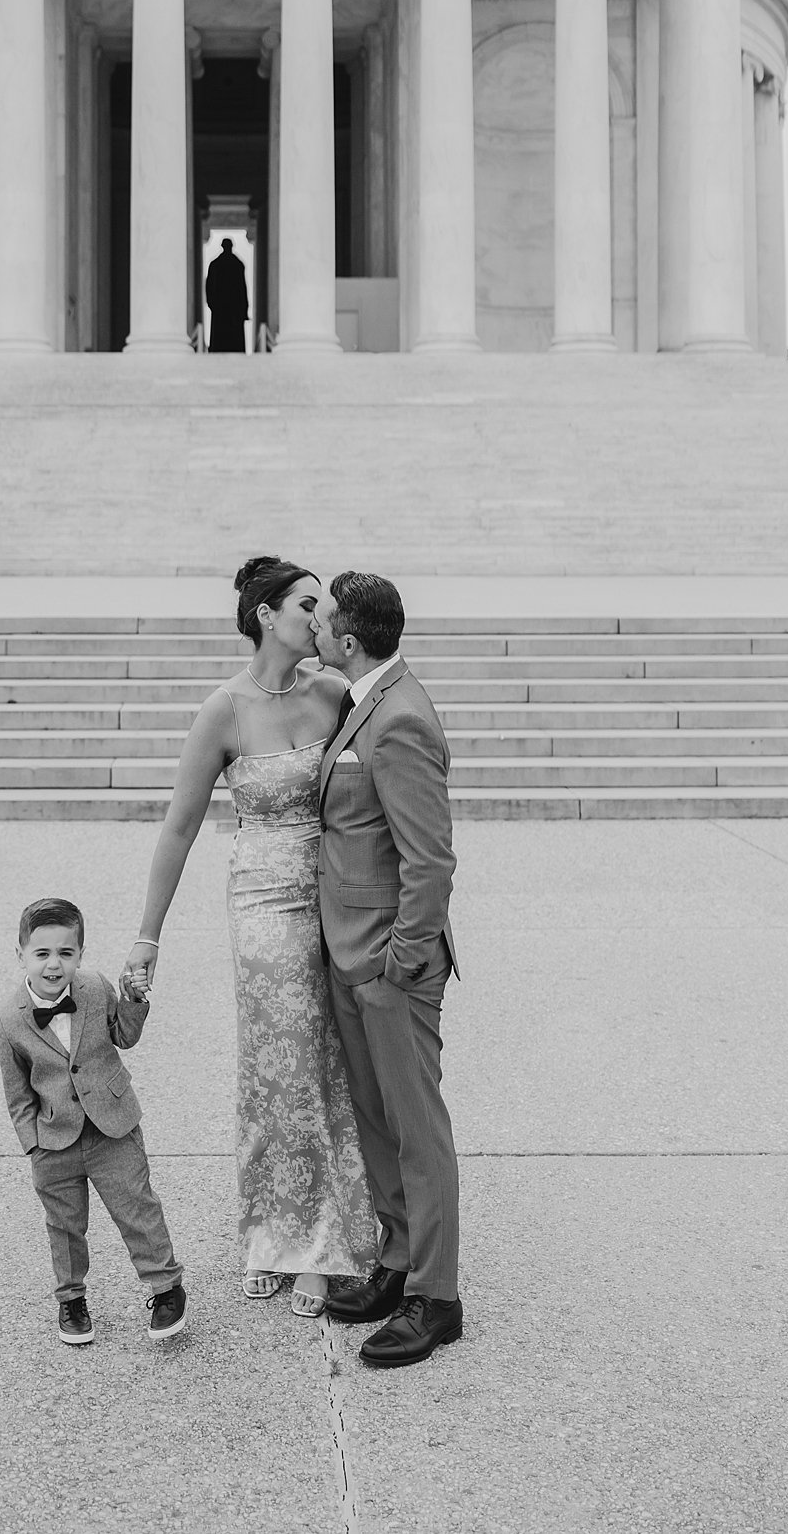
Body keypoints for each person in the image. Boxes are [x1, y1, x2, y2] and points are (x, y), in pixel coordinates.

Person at [125, 556, 376, 1315]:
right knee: (278, 1066)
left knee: (334, 1062)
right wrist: (147, 938)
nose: (322, 619)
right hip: (264, 906)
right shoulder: (224, 711)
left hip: (334, 899)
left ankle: (338, 1233)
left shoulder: (335, 693)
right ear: (266, 614)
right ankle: (276, 1233)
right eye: (308, 605)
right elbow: (179, 828)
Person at [311, 571, 463, 1368]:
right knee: (376, 1122)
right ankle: (397, 1261)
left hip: (388, 966)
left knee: (416, 1128)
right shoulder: (362, 697)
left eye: (324, 621)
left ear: (349, 638)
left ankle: (437, 1297)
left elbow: (430, 859)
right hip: (350, 954)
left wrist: (400, 962)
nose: (314, 631)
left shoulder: (400, 717)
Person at [0, 894, 187, 1346]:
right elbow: (16, 1089)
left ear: (81, 953)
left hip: (112, 1125)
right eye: (42, 954)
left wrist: (134, 1000)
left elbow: (124, 1036)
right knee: (64, 1225)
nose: (54, 964)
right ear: (20, 953)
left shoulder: (96, 987)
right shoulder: (7, 1016)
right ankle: (71, 1298)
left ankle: (166, 1289)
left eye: (66, 952)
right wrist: (32, 1144)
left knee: (137, 1208)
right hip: (54, 1138)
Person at [205, 237, 249, 353]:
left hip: (221, 308)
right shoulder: (238, 264)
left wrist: (212, 304)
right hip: (233, 308)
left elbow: (209, 287)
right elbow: (242, 289)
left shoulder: (215, 264)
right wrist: (244, 309)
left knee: (220, 338)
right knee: (235, 341)